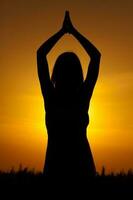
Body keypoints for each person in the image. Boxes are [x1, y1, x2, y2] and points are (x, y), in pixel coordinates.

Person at [37, 11, 101, 181]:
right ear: (79, 74)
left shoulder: (51, 98)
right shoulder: (81, 98)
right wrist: (72, 32)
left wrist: (63, 32)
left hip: (55, 168)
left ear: (56, 73)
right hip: (81, 169)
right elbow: (96, 56)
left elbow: (40, 54)